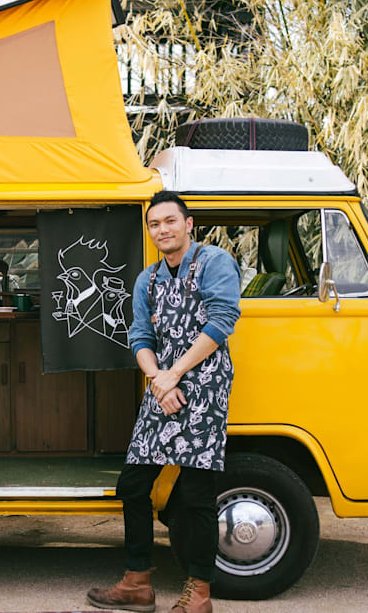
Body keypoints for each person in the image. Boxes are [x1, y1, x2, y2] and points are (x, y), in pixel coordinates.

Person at [86, 192, 241, 613]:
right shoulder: (148, 280)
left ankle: (200, 594)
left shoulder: (214, 262)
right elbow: (140, 337)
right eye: (155, 224)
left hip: (204, 388)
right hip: (161, 388)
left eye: (171, 221)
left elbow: (222, 320)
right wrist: (158, 378)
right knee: (133, 485)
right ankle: (137, 583)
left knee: (196, 495)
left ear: (188, 224)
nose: (163, 230)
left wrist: (176, 374)